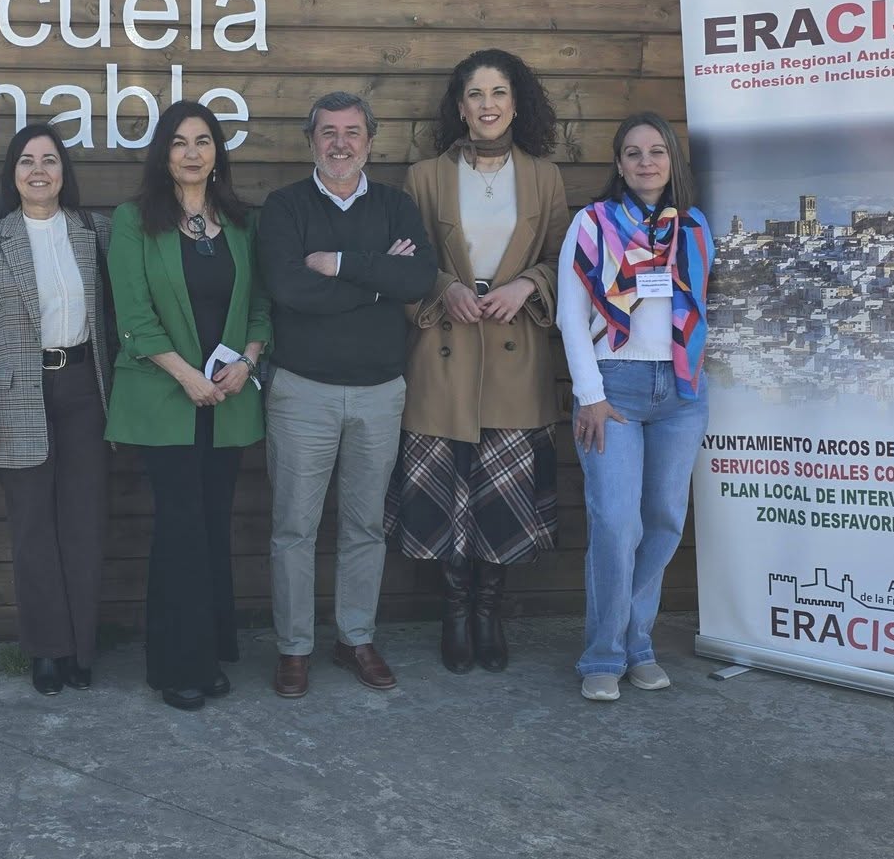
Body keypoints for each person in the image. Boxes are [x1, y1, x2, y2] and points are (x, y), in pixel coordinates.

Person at [388, 51, 570, 674]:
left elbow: (564, 260)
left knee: (502, 493)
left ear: (517, 104)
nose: (487, 105)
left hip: (515, 345)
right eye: (475, 94)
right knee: (447, 490)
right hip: (446, 346)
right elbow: (406, 260)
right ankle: (455, 612)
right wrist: (445, 289)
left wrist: (527, 286)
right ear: (459, 107)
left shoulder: (544, 177)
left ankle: (489, 611)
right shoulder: (425, 176)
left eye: (498, 93)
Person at [257, 92, 437, 698]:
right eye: (328, 132)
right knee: (294, 528)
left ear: (370, 141)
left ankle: (355, 637)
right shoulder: (284, 208)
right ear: (311, 140)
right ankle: (294, 647)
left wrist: (339, 262)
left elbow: (418, 278)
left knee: (365, 525)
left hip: (379, 393)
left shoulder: (395, 205)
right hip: (301, 392)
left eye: (352, 132)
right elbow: (290, 290)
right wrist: (378, 276)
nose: (340, 144)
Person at [105, 102, 271, 711]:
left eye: (203, 141)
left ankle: (210, 653)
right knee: (180, 526)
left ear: (217, 152)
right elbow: (134, 316)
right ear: (163, 154)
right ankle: (177, 667)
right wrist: (186, 377)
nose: (192, 153)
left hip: (228, 398)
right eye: (179, 142)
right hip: (164, 398)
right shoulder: (134, 220)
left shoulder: (241, 223)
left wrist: (247, 361)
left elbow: (260, 307)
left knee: (213, 522)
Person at [0, 124, 115, 697]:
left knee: (84, 524)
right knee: (31, 530)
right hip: (17, 394)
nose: (39, 170)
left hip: (85, 390)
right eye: (27, 161)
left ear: (64, 172)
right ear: (13, 173)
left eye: (49, 160)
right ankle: (48, 651)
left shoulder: (94, 233)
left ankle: (82, 649)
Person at [556, 112, 712, 702]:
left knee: (665, 521)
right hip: (613, 389)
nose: (646, 162)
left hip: (681, 393)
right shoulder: (592, 223)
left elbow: (698, 309)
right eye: (633, 153)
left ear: (672, 161)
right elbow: (571, 315)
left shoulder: (694, 227)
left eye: (656, 151)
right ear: (619, 165)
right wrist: (589, 395)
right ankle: (602, 654)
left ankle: (637, 642)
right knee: (617, 523)